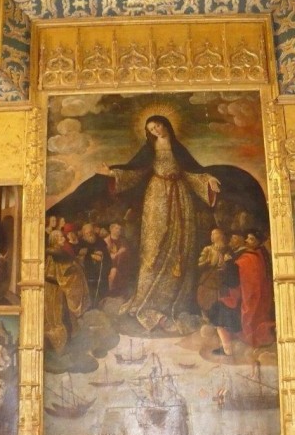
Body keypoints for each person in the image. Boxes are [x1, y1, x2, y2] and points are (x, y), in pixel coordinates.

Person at [96, 115, 221, 332]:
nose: (156, 131)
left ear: (165, 124)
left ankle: (176, 304)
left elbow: (192, 171)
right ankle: (148, 302)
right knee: (153, 248)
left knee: (181, 245)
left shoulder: (178, 148)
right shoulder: (149, 149)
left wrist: (208, 179)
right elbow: (134, 170)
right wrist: (112, 173)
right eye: (151, 129)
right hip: (157, 196)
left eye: (158, 126)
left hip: (180, 196)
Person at [44, 230, 90, 352]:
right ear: (54, 240)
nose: (63, 239)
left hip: (60, 288)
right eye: (60, 237)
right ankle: (62, 342)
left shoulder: (60, 252)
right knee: (59, 316)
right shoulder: (55, 253)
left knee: (66, 316)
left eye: (62, 236)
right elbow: (60, 273)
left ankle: (69, 341)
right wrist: (74, 269)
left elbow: (68, 267)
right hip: (55, 288)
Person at [197, 228, 228, 320]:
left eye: (214, 234)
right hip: (208, 279)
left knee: (222, 299)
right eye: (211, 234)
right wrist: (207, 261)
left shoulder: (227, 250)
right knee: (205, 299)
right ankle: (207, 318)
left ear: (221, 236)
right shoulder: (208, 249)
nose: (212, 236)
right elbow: (199, 265)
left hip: (222, 280)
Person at [77, 222, 112, 307]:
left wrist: (101, 256)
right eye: (87, 233)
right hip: (88, 271)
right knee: (89, 287)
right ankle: (91, 305)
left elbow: (106, 255)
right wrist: (91, 255)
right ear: (84, 234)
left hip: (101, 270)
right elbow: (80, 254)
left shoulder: (100, 240)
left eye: (90, 232)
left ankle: (102, 303)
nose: (89, 234)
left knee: (102, 286)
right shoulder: (81, 242)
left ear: (93, 231)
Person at [104, 222, 130, 296]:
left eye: (119, 229)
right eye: (116, 228)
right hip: (109, 264)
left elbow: (126, 252)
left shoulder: (123, 241)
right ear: (111, 229)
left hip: (122, 264)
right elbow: (105, 254)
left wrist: (118, 254)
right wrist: (116, 254)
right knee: (113, 272)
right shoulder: (106, 241)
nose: (118, 230)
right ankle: (110, 291)